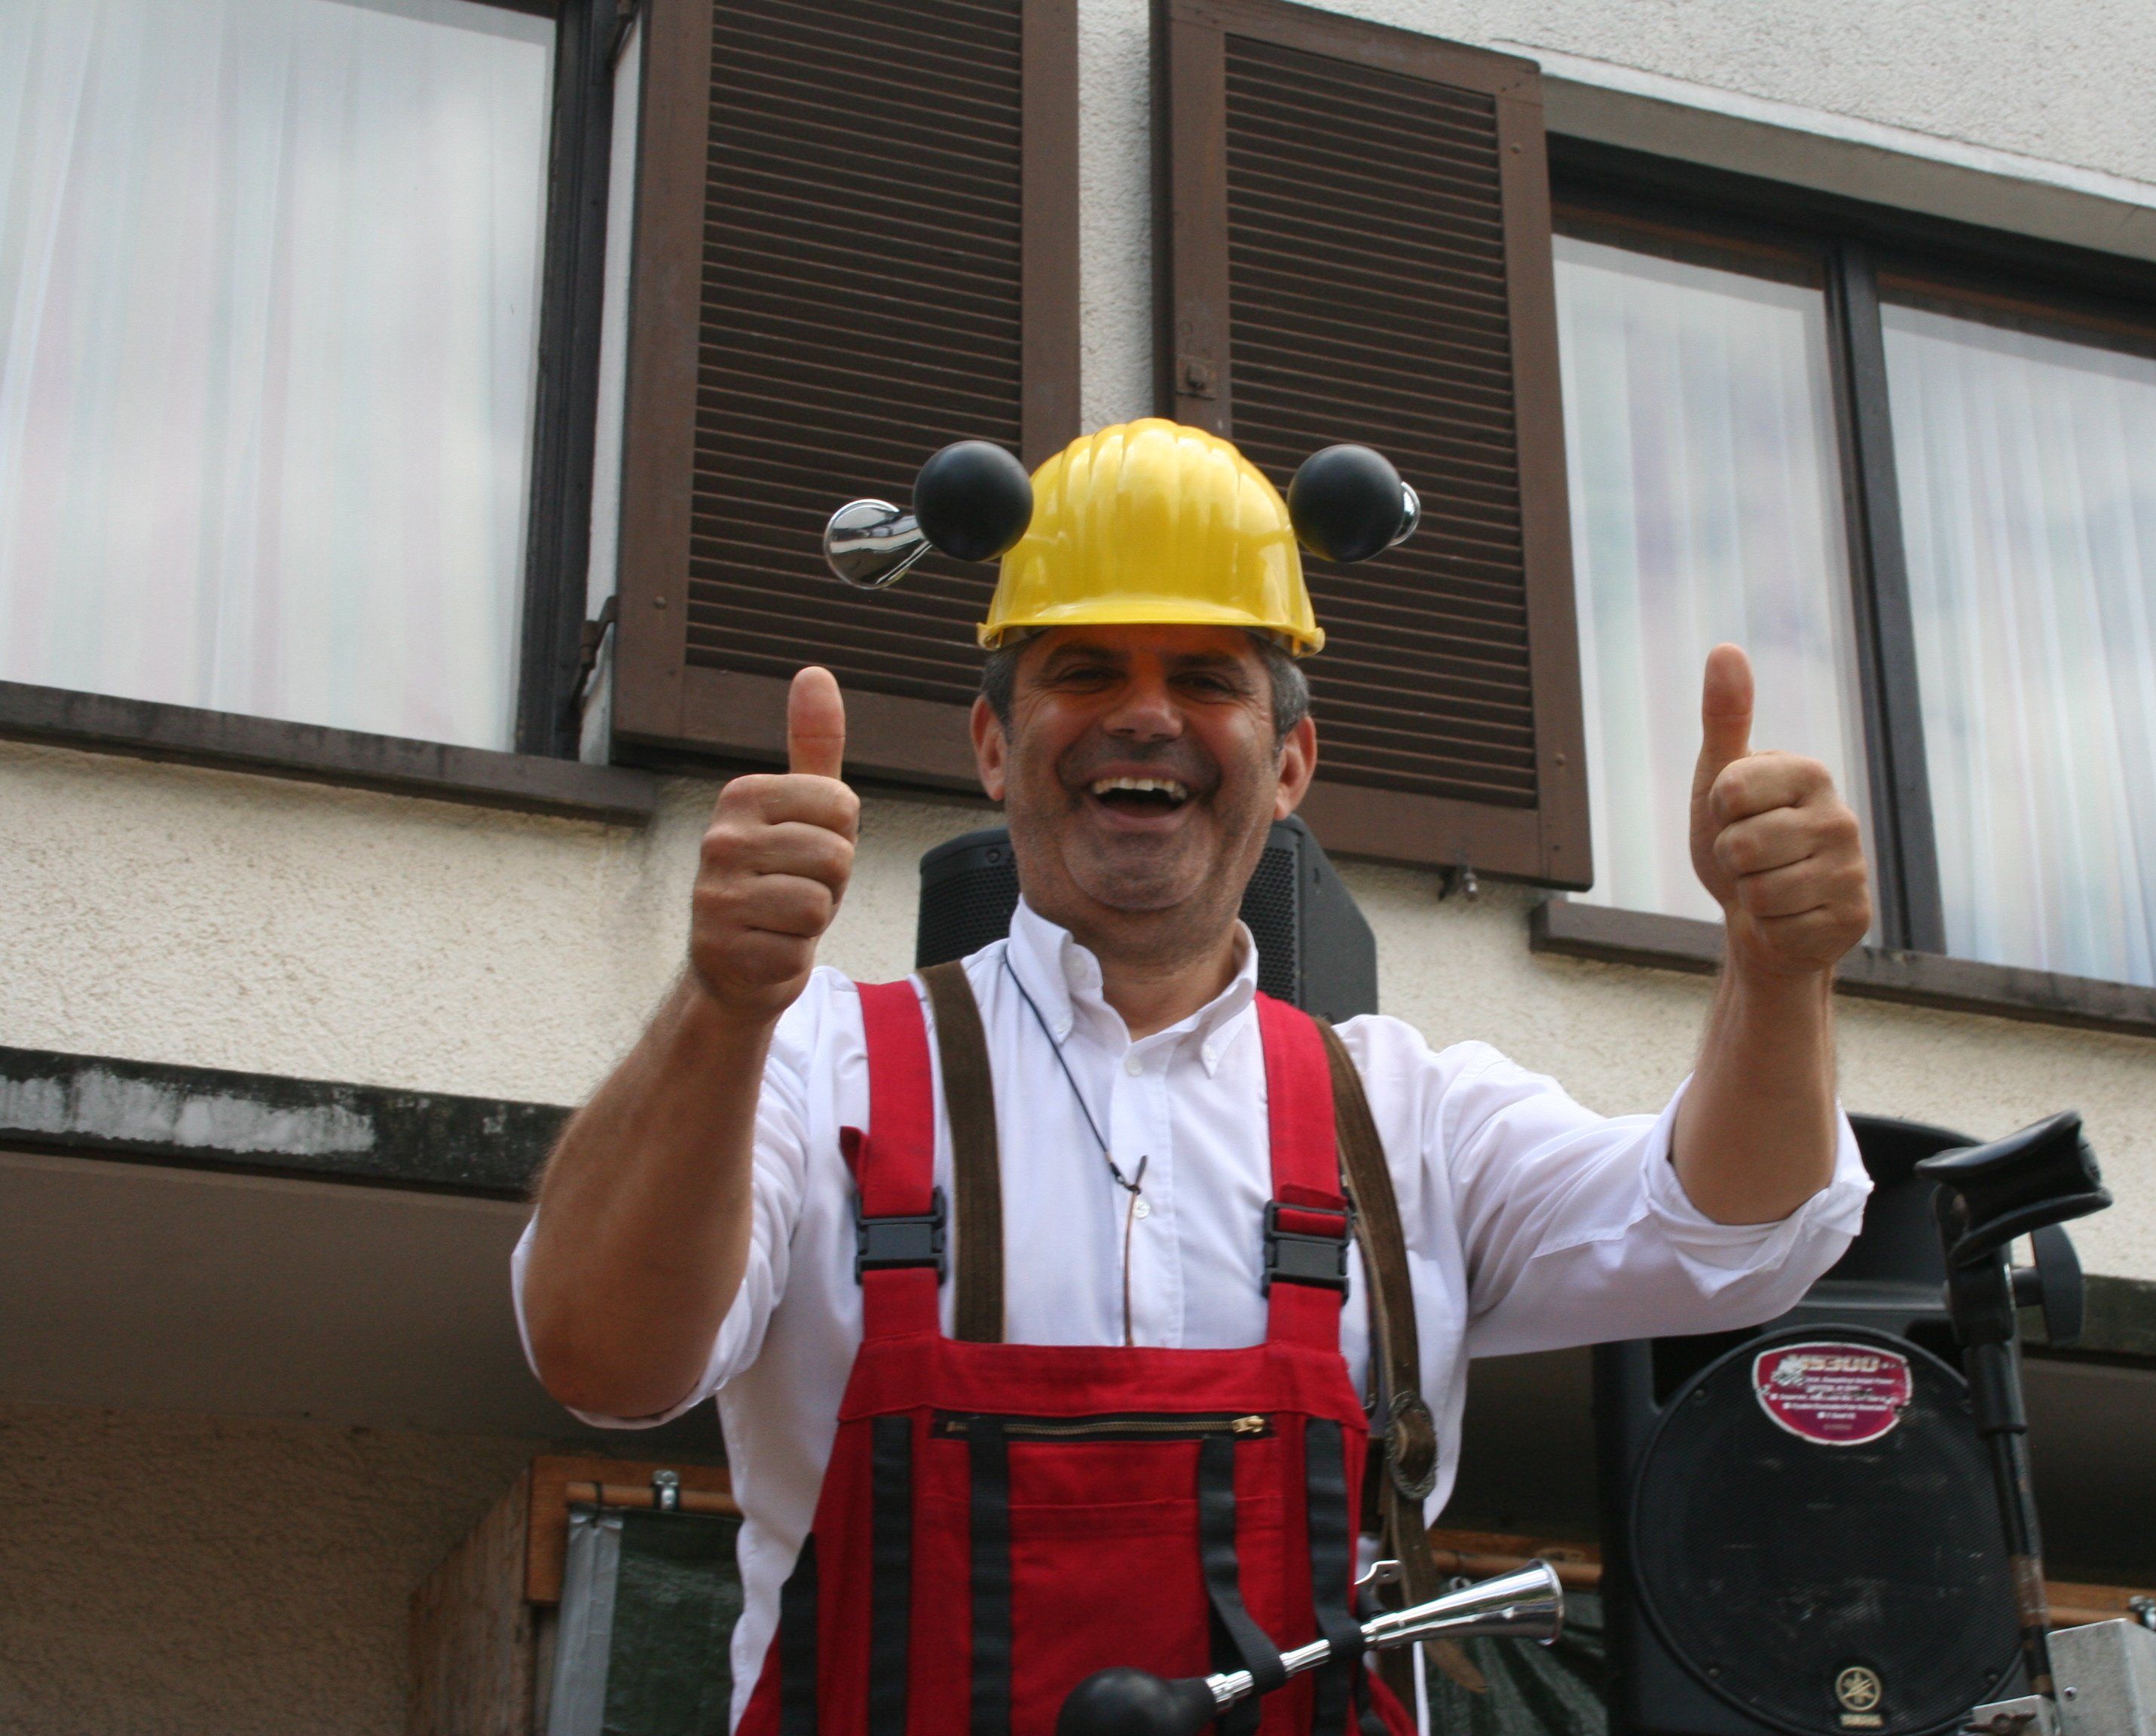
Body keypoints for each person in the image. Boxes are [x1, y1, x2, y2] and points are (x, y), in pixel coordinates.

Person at [515, 419, 1875, 1736]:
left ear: (1289, 765)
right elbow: (602, 1361)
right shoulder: (815, 1062)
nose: (1147, 716)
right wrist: (721, 1005)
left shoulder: (1405, 1120)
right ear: (992, 747)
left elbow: (1733, 1234)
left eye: (1210, 679)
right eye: (1086, 670)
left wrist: (1779, 971)